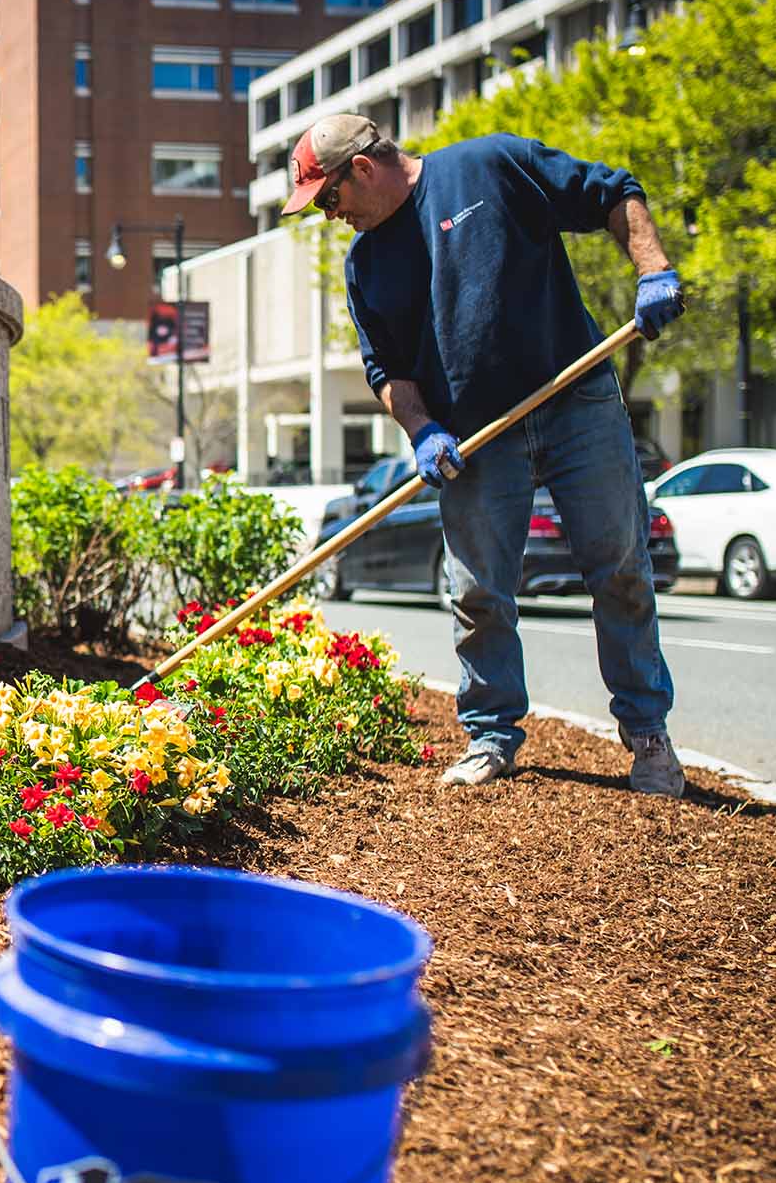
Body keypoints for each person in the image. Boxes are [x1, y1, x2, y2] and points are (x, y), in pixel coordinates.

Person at [281, 114, 687, 796]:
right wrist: (421, 430)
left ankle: (648, 733)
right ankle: (492, 733)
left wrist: (653, 268)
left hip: (575, 399)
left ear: (361, 169)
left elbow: (611, 192)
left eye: (329, 199)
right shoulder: (367, 264)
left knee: (619, 567)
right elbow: (387, 372)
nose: (330, 216)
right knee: (476, 591)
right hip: (474, 436)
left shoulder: (490, 165)